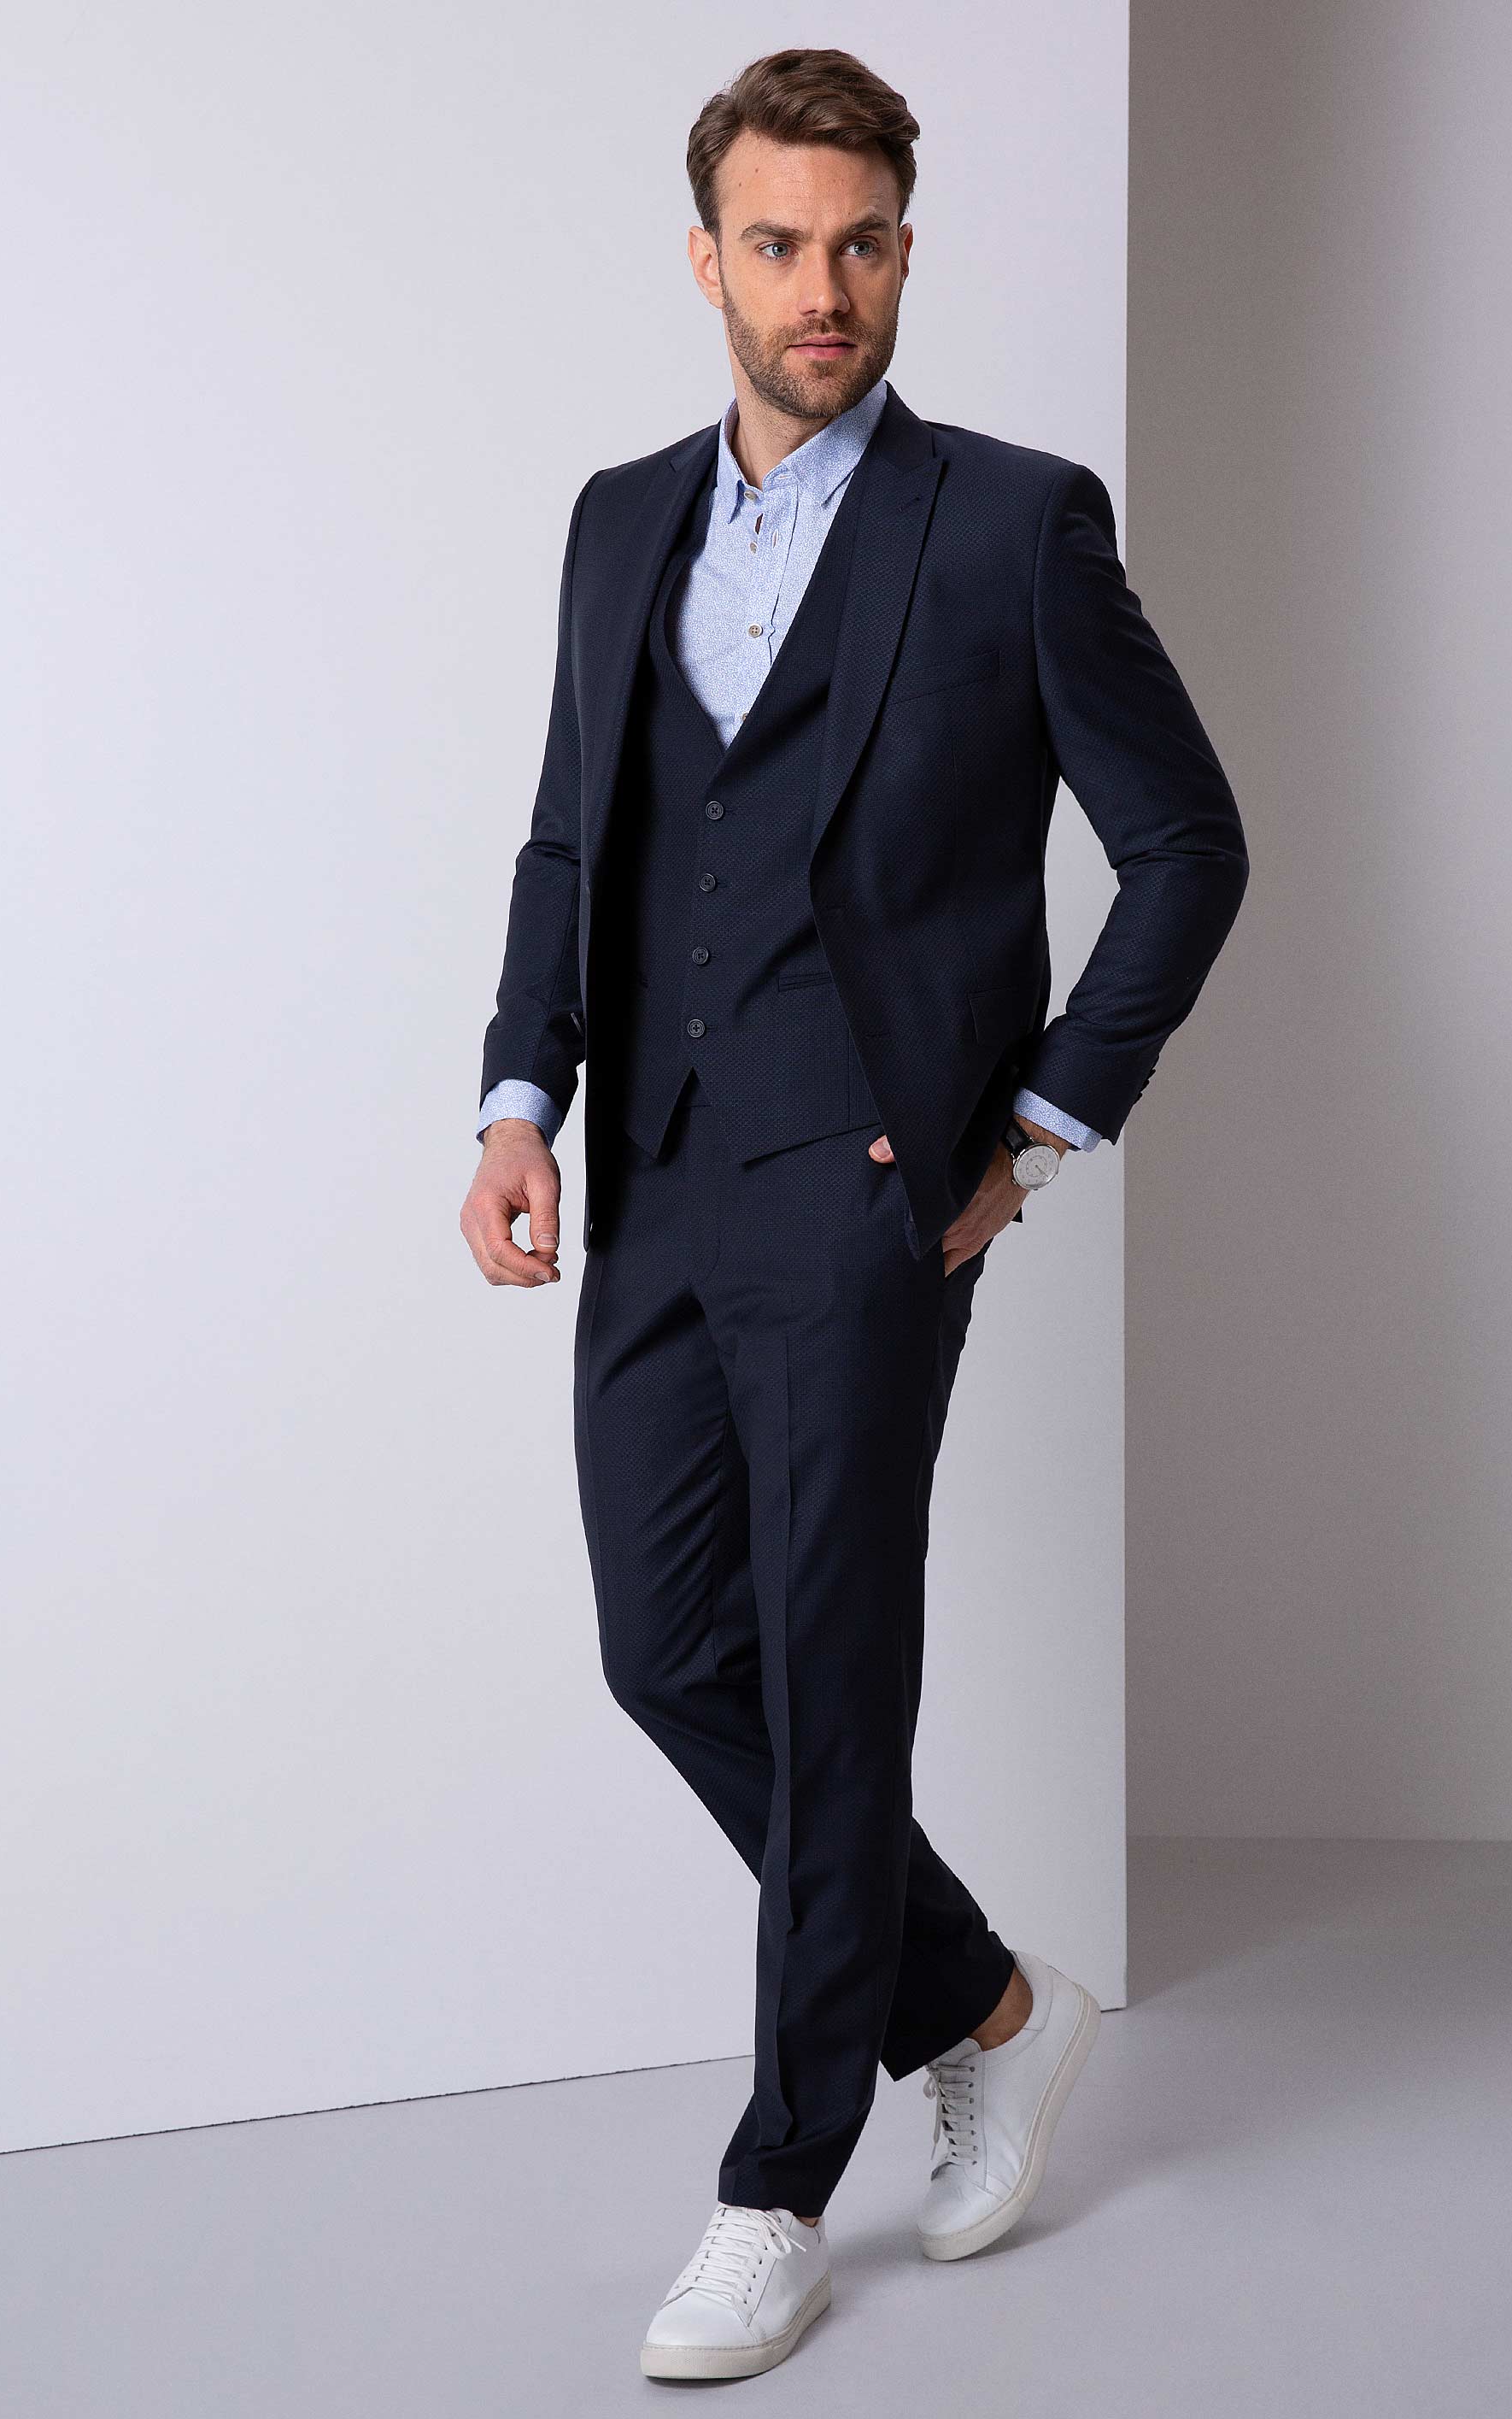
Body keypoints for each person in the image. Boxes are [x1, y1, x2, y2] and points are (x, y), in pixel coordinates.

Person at [457, 45, 1247, 2382]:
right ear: (707, 260)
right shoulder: (619, 521)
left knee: (826, 1691)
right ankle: (984, 2001)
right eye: (783, 246)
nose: (827, 289)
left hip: (877, 1185)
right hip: (655, 1172)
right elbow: (572, 836)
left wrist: (1042, 1130)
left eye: (865, 244)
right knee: (666, 1649)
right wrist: (518, 1098)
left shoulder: (1008, 525)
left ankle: (778, 2184)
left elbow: (1186, 846)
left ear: (908, 250)